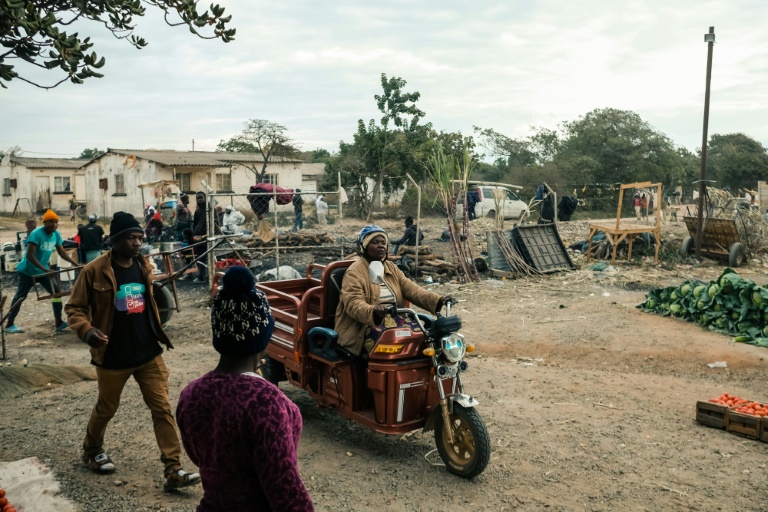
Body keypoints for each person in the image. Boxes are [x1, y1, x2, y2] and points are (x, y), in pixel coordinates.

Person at [64, 212, 201, 491]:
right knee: (107, 408)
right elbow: (74, 309)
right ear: (115, 240)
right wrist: (88, 331)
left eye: (140, 237)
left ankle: (173, 469)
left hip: (148, 354)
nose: (138, 243)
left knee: (162, 408)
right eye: (131, 237)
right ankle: (92, 450)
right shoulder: (94, 271)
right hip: (113, 357)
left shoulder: (143, 265)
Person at [176, 266, 314, 511]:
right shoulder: (267, 403)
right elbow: (287, 495)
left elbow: (199, 457)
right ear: (263, 337)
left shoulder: (191, 394)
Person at [335, 225, 453, 356]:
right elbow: (353, 303)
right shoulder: (354, 272)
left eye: (383, 243)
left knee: (427, 339)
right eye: (375, 242)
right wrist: (374, 311)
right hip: (364, 327)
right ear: (364, 246)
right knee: (393, 345)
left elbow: (413, 290)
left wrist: (439, 299)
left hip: (396, 320)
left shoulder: (391, 267)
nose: (381, 246)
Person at [5, 209, 79, 335]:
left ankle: (58, 323)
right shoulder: (36, 234)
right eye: (51, 222)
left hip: (42, 271)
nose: (54, 224)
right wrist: (45, 269)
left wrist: (75, 263)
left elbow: (61, 252)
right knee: (21, 296)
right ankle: (9, 324)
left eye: (56, 222)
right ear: (45, 223)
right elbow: (29, 255)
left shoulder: (56, 234)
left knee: (56, 293)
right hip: (28, 271)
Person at [191, 192, 208, 284]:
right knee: (200, 257)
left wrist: (205, 236)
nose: (199, 200)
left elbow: (216, 225)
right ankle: (201, 276)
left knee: (208, 257)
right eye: (197, 198)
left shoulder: (210, 210)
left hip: (206, 238)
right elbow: (195, 224)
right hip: (197, 238)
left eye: (201, 198)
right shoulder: (197, 211)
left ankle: (209, 276)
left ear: (205, 198)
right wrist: (194, 235)